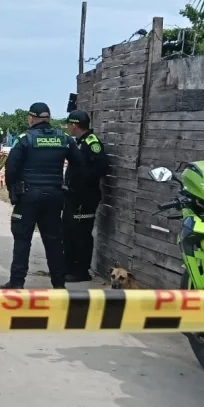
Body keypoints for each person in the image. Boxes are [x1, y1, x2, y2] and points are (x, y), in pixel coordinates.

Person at [1, 102, 84, 290]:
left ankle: (16, 282)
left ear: (31, 118)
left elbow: (11, 169)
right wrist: (67, 186)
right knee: (54, 241)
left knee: (22, 239)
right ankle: (59, 284)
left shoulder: (24, 139)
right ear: (49, 118)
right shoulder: (63, 138)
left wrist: (13, 193)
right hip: (54, 196)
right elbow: (79, 164)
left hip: (28, 196)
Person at [63, 110, 110, 283]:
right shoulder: (79, 142)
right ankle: (68, 267)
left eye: (69, 124)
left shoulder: (92, 143)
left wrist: (81, 182)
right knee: (68, 232)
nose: (68, 127)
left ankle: (81, 271)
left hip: (85, 197)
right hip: (73, 195)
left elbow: (102, 167)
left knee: (81, 234)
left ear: (74, 125)